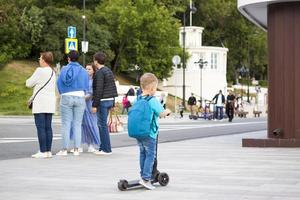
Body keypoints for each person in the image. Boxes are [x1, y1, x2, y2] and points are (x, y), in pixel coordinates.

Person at [133, 73, 171, 190]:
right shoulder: (152, 100)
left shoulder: (138, 98)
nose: (155, 90)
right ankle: (146, 178)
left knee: (142, 154)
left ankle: (143, 175)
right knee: (150, 155)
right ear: (150, 88)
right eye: (155, 88)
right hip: (150, 133)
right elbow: (161, 113)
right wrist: (167, 111)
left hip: (139, 132)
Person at [56, 50, 89, 156]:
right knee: (77, 124)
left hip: (66, 97)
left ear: (68, 58)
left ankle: (64, 149)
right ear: (78, 59)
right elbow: (86, 85)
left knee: (66, 124)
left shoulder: (64, 69)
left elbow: (59, 82)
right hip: (80, 97)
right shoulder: (83, 71)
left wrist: (62, 92)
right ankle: (76, 149)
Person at [26, 52, 56, 158]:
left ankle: (42, 151)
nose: (39, 60)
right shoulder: (53, 72)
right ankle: (48, 151)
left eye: (40, 58)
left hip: (40, 103)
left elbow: (28, 83)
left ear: (43, 60)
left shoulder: (40, 71)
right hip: (50, 103)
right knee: (48, 127)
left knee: (41, 128)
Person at [70, 63, 101, 153]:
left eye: (89, 69)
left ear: (94, 71)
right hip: (80, 105)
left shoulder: (94, 81)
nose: (87, 71)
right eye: (86, 69)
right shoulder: (82, 80)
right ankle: (78, 145)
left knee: (90, 125)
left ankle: (91, 145)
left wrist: (81, 97)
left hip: (89, 105)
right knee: (79, 125)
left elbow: (91, 94)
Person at [92, 51, 118, 155]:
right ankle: (102, 147)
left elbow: (98, 90)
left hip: (102, 101)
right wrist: (113, 102)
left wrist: (94, 104)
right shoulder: (108, 71)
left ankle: (106, 149)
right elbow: (113, 87)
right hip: (110, 100)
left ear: (96, 61)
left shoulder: (99, 72)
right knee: (103, 124)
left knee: (102, 125)